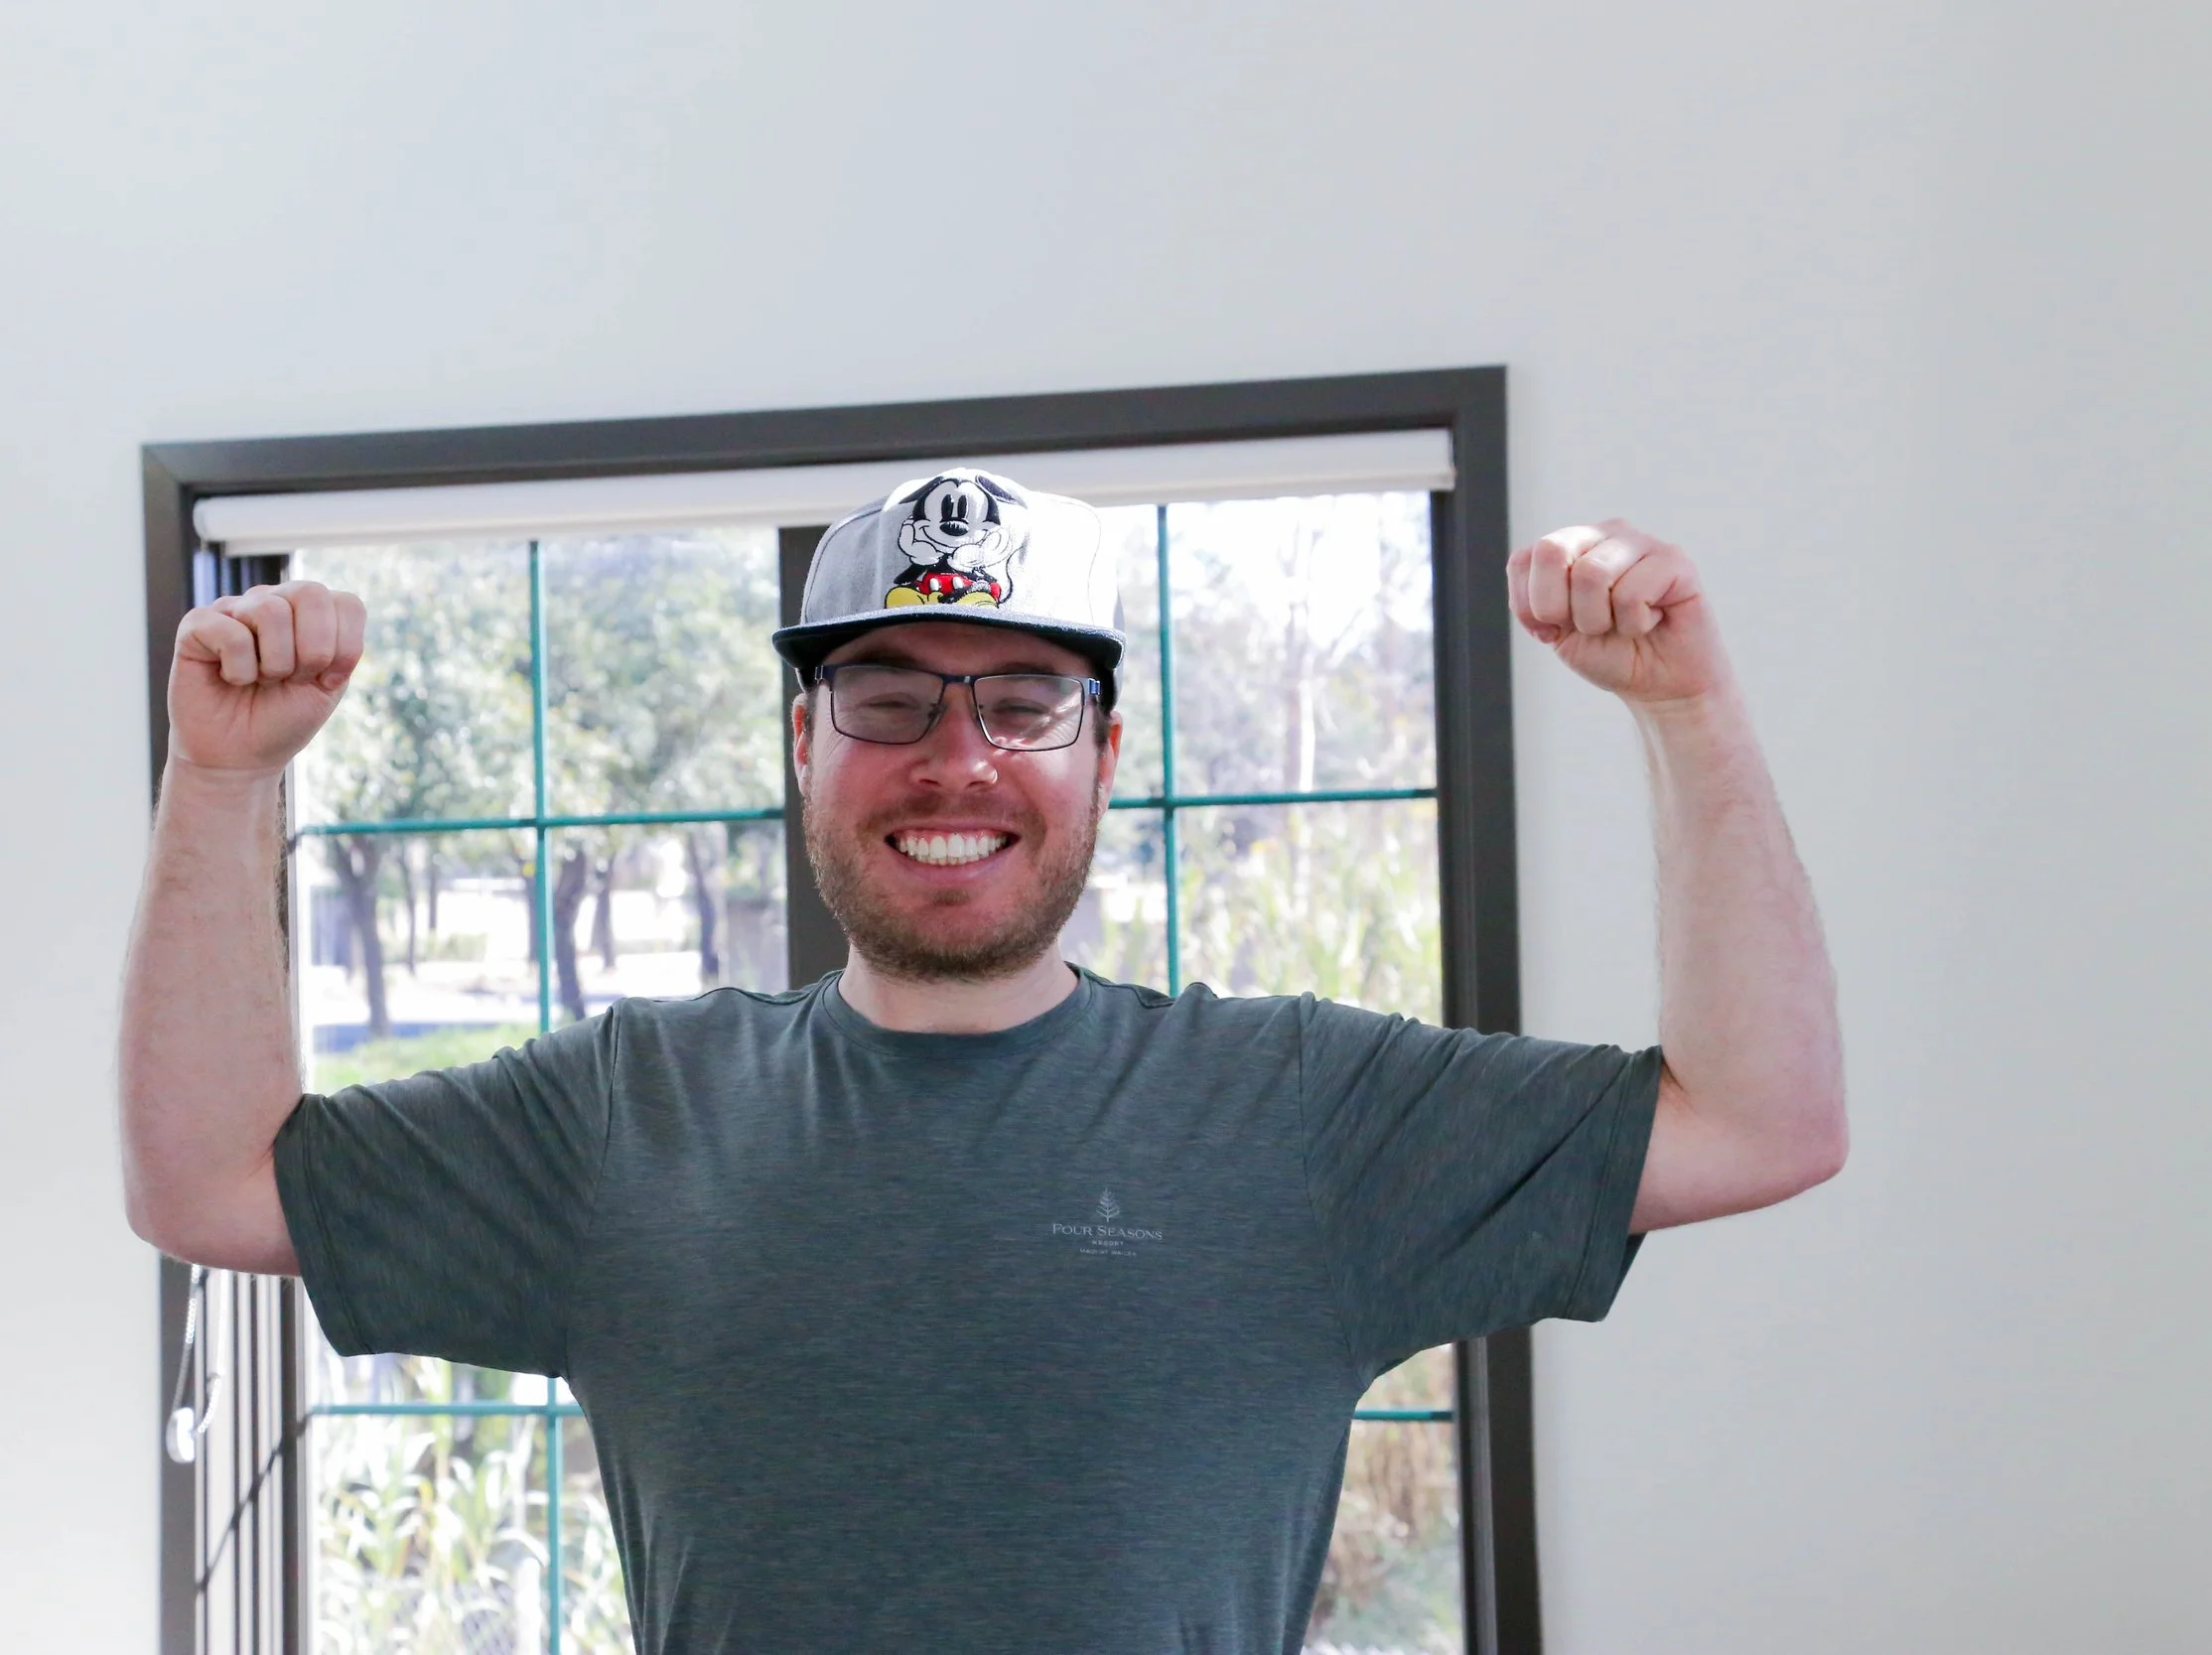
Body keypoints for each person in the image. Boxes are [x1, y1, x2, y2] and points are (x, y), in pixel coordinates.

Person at [120, 468, 1844, 1654]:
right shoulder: (623, 1120)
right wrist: (219, 784)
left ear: (1103, 750)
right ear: (803, 742)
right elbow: (206, 1174)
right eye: (888, 698)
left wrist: (1690, 715)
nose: (957, 759)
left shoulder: (1308, 1114)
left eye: (1021, 700)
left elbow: (1761, 1119)